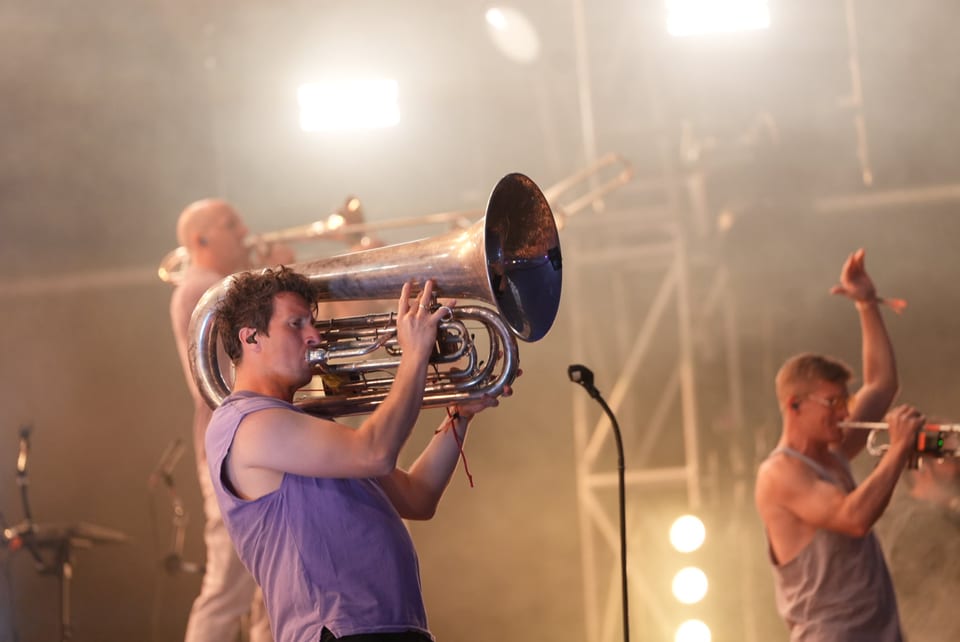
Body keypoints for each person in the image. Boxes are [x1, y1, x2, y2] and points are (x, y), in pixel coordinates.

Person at [204, 266, 510, 642]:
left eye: (311, 322)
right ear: (251, 338)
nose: (314, 335)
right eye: (296, 324)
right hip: (338, 631)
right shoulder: (245, 423)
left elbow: (418, 497)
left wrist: (458, 416)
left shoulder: (306, 426)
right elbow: (376, 453)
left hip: (392, 626)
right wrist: (413, 355)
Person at [754, 248, 924, 642]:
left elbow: (881, 383)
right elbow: (854, 518)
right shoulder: (780, 473)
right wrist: (898, 450)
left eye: (845, 402)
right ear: (794, 406)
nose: (844, 412)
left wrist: (866, 304)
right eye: (833, 403)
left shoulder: (831, 451)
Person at [170, 198, 284, 642]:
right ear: (200, 239)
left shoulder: (223, 286)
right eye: (229, 224)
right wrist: (273, 287)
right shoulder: (200, 288)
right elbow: (230, 374)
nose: (244, 230)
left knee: (272, 584)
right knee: (228, 587)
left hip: (255, 442)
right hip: (231, 448)